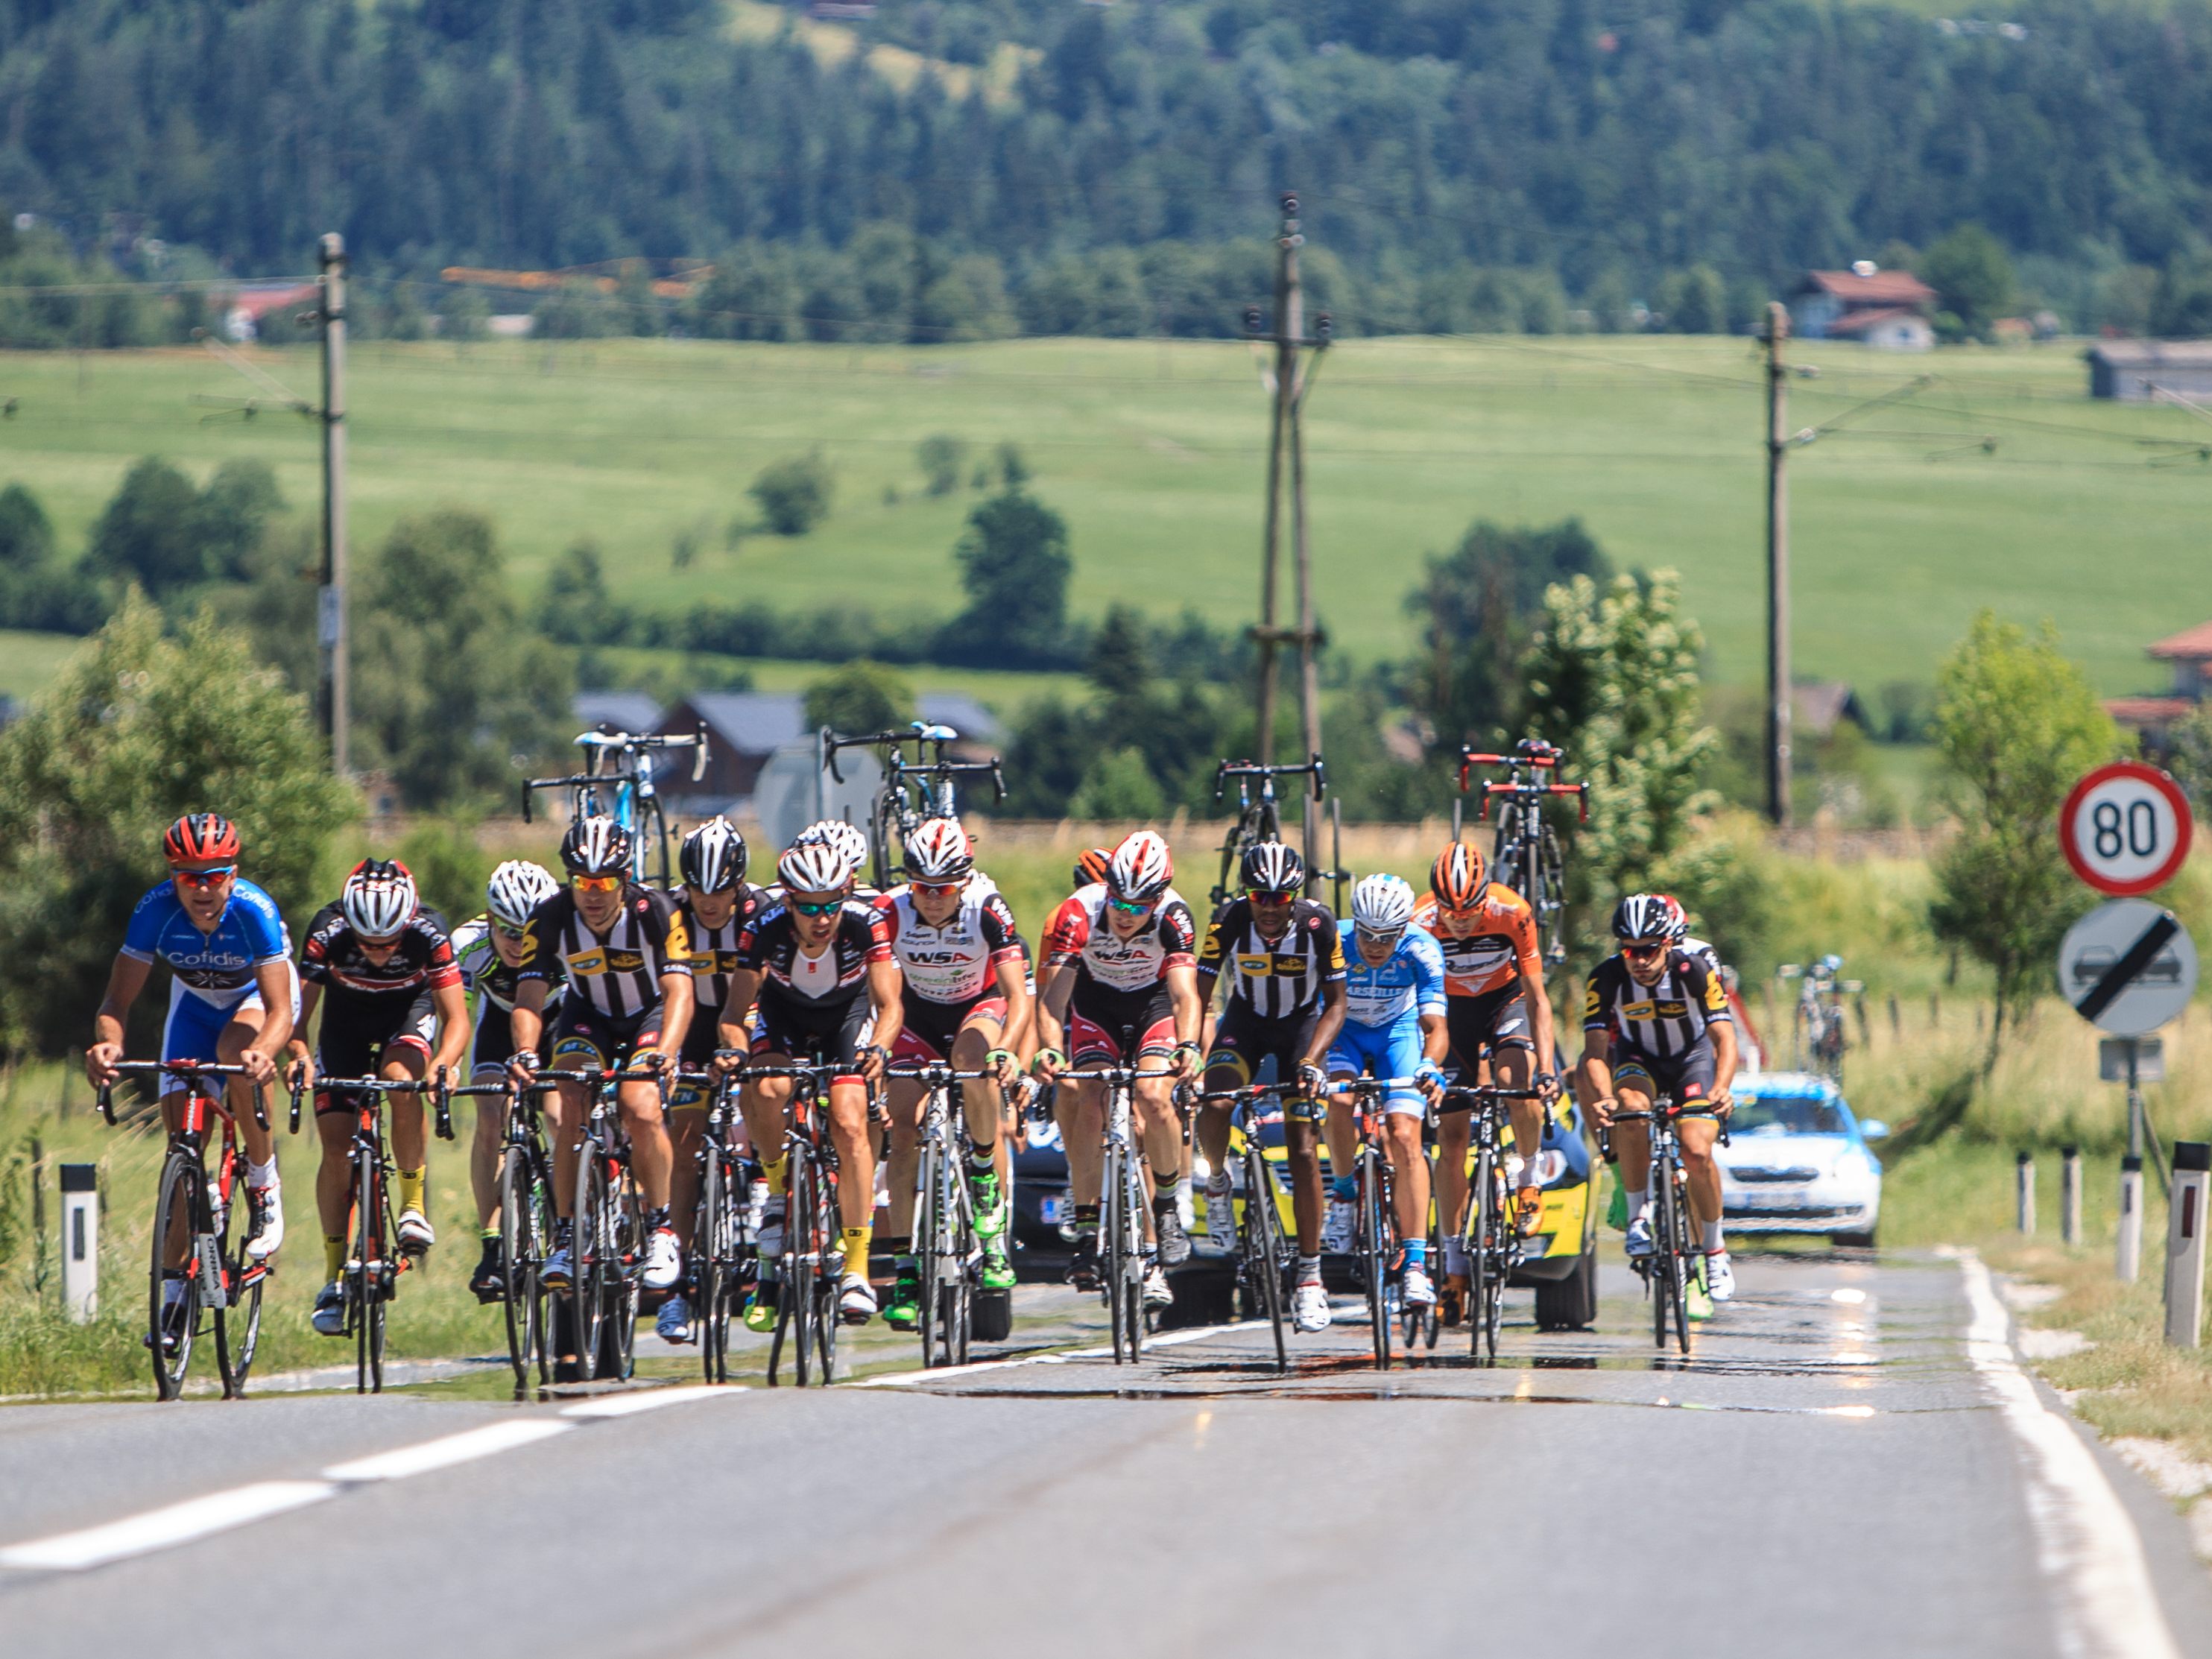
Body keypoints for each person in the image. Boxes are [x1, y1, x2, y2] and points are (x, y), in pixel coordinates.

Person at [87, 814, 297, 1352]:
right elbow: (116, 1003)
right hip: (195, 1005)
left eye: (215, 875)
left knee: (237, 1053)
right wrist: (108, 1043)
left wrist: (265, 1052)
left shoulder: (255, 910)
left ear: (234, 874)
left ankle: (263, 1180)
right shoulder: (154, 911)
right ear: (172, 876)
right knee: (183, 1143)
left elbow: (280, 1010)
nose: (203, 889)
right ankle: (174, 1298)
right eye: (189, 877)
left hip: (256, 1001)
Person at [507, 815, 692, 1320]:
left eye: (604, 882)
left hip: (648, 1016)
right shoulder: (549, 917)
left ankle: (660, 1228)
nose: (592, 893)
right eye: (581, 881)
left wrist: (667, 1053)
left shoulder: (657, 911)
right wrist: (526, 1053)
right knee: (567, 1099)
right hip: (586, 1016)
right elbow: (529, 997)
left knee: (639, 1104)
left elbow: (679, 990)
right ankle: (566, 1234)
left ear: (624, 877)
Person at [720, 838, 905, 1325]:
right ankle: (779, 1191)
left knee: (848, 1122)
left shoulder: (867, 923)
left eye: (830, 906)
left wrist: (880, 1049)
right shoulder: (763, 928)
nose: (821, 919)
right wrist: (737, 1053)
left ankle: (857, 1270)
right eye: (808, 908)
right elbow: (734, 1014)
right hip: (783, 1015)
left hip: (846, 1016)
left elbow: (890, 1006)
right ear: (788, 901)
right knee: (766, 1088)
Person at [288, 859, 471, 1337]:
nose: (379, 954)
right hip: (344, 1023)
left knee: (399, 1078)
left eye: (389, 943)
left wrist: (444, 1064)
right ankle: (331, 1279)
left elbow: (458, 1021)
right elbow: (296, 1020)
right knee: (334, 1148)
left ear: (407, 922)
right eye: (368, 944)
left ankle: (412, 1205)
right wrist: (301, 1056)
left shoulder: (429, 932)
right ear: (349, 923)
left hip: (407, 1013)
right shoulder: (327, 931)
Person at [1033, 829, 1204, 1311]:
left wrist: (1189, 1045)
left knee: (1153, 1097)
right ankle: (1088, 1230)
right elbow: (1053, 1001)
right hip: (1096, 1007)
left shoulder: (1174, 915)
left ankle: (1167, 1207)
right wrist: (1050, 1051)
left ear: (1158, 898)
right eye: (1119, 902)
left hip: (1151, 1006)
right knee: (1089, 1099)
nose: (1126, 915)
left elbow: (1185, 995)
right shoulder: (1078, 913)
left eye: (1138, 906)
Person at [874, 818, 1032, 1328]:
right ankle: (905, 1269)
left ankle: (984, 1175)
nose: (934, 898)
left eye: (944, 889)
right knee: (901, 1128)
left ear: (963, 881)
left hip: (976, 1007)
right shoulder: (889, 912)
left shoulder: (988, 907)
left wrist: (1007, 1052)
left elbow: (1017, 997)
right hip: (916, 1017)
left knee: (973, 1062)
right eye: (923, 887)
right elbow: (869, 991)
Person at [1193, 840, 1347, 1333]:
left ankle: (1309, 1278)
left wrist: (1312, 1060)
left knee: (1303, 1151)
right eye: (1259, 896)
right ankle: (1218, 1183)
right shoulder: (1228, 919)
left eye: (1280, 898)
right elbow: (1198, 992)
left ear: (1294, 898)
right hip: (1246, 1021)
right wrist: (1190, 1052)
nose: (1269, 907)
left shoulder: (1320, 925)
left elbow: (1337, 1004)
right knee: (1216, 1104)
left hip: (1301, 1028)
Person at [1413, 841, 1561, 1320]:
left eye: (1469, 910)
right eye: (1449, 912)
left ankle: (1529, 1180)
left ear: (1485, 896)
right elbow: (1406, 1000)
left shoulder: (1512, 910)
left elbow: (1538, 997)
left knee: (1515, 1084)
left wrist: (1547, 1069)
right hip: (1451, 1015)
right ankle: (1454, 1269)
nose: (1458, 921)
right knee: (1451, 1139)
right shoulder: (1420, 919)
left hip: (1505, 1002)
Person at [1581, 893, 1741, 1304]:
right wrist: (1604, 1097)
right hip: (1639, 1059)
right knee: (1631, 1113)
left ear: (1667, 944)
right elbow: (1595, 1053)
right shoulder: (1606, 978)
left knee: (1695, 1148)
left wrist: (1722, 1086)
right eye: (1629, 950)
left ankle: (1715, 1250)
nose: (1639, 959)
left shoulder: (1694, 970)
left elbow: (1725, 1038)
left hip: (1693, 1058)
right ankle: (1639, 1218)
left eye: (1649, 949)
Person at [658, 817, 766, 1344]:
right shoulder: (672, 914)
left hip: (753, 1019)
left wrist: (741, 1044)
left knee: (768, 1104)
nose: (709, 900)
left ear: (738, 883)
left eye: (720, 889)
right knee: (684, 1144)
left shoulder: (762, 912)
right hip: (694, 1026)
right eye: (699, 888)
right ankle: (678, 1286)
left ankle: (773, 1211)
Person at [1322, 873, 1449, 1309]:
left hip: (1398, 1032)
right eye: (1368, 934)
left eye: (1387, 936)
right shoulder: (1332, 941)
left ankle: (1415, 1264)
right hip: (1345, 1031)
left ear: (1403, 928)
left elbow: (1435, 1027)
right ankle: (1342, 1192)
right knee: (1339, 1101)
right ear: (1354, 924)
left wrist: (1431, 1064)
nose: (1376, 945)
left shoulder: (1423, 949)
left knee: (1405, 1133)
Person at [457, 861, 565, 1304]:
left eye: (529, 933)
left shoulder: (565, 935)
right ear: (489, 918)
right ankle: (493, 1243)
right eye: (508, 932)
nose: (519, 944)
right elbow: (454, 1013)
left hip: (560, 1021)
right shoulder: (469, 945)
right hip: (499, 1028)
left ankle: (570, 1210)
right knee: (489, 1116)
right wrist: (444, 1062)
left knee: (560, 1116)